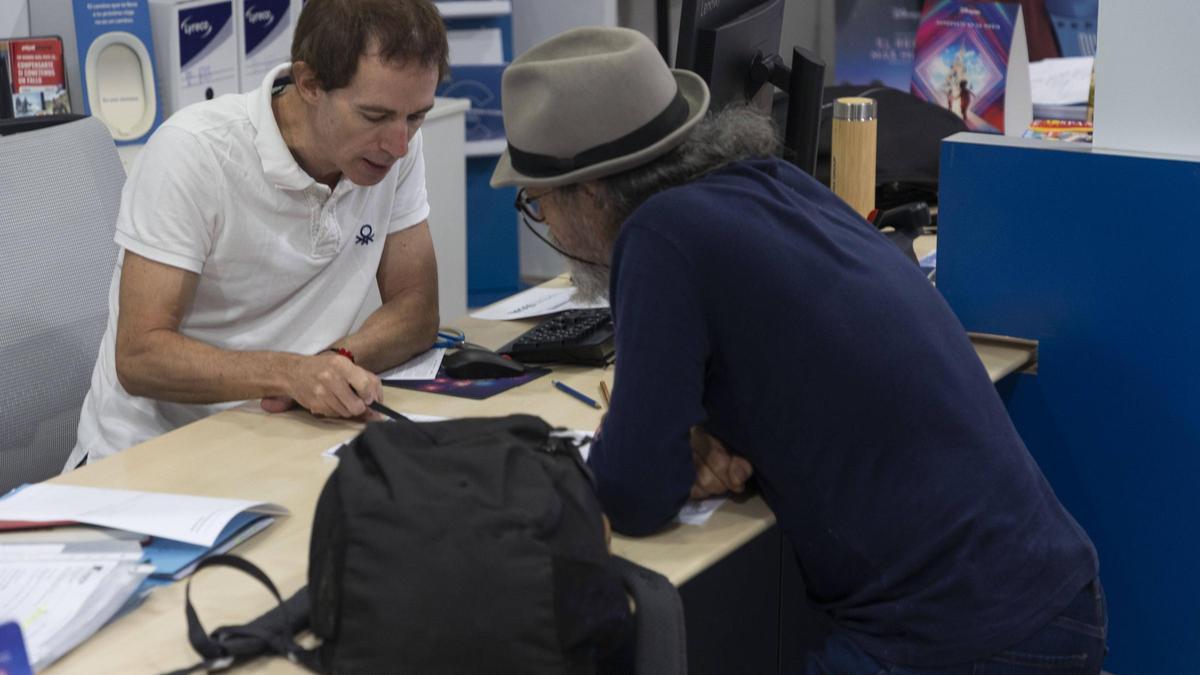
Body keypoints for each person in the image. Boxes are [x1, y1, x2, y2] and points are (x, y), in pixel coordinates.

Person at [491, 27, 1106, 674]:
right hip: (1052, 593)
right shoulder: (776, 185)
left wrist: (672, 439)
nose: (548, 228)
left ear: (588, 193)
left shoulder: (660, 237)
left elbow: (634, 492)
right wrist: (694, 433)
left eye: (538, 203)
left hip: (959, 634)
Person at [66, 0, 448, 467]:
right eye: (374, 116)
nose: (398, 144)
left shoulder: (396, 146)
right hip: (147, 458)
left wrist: (331, 365)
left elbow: (416, 309)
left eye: (416, 117)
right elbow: (141, 356)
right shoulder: (194, 153)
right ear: (308, 83)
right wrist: (290, 374)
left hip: (281, 437)